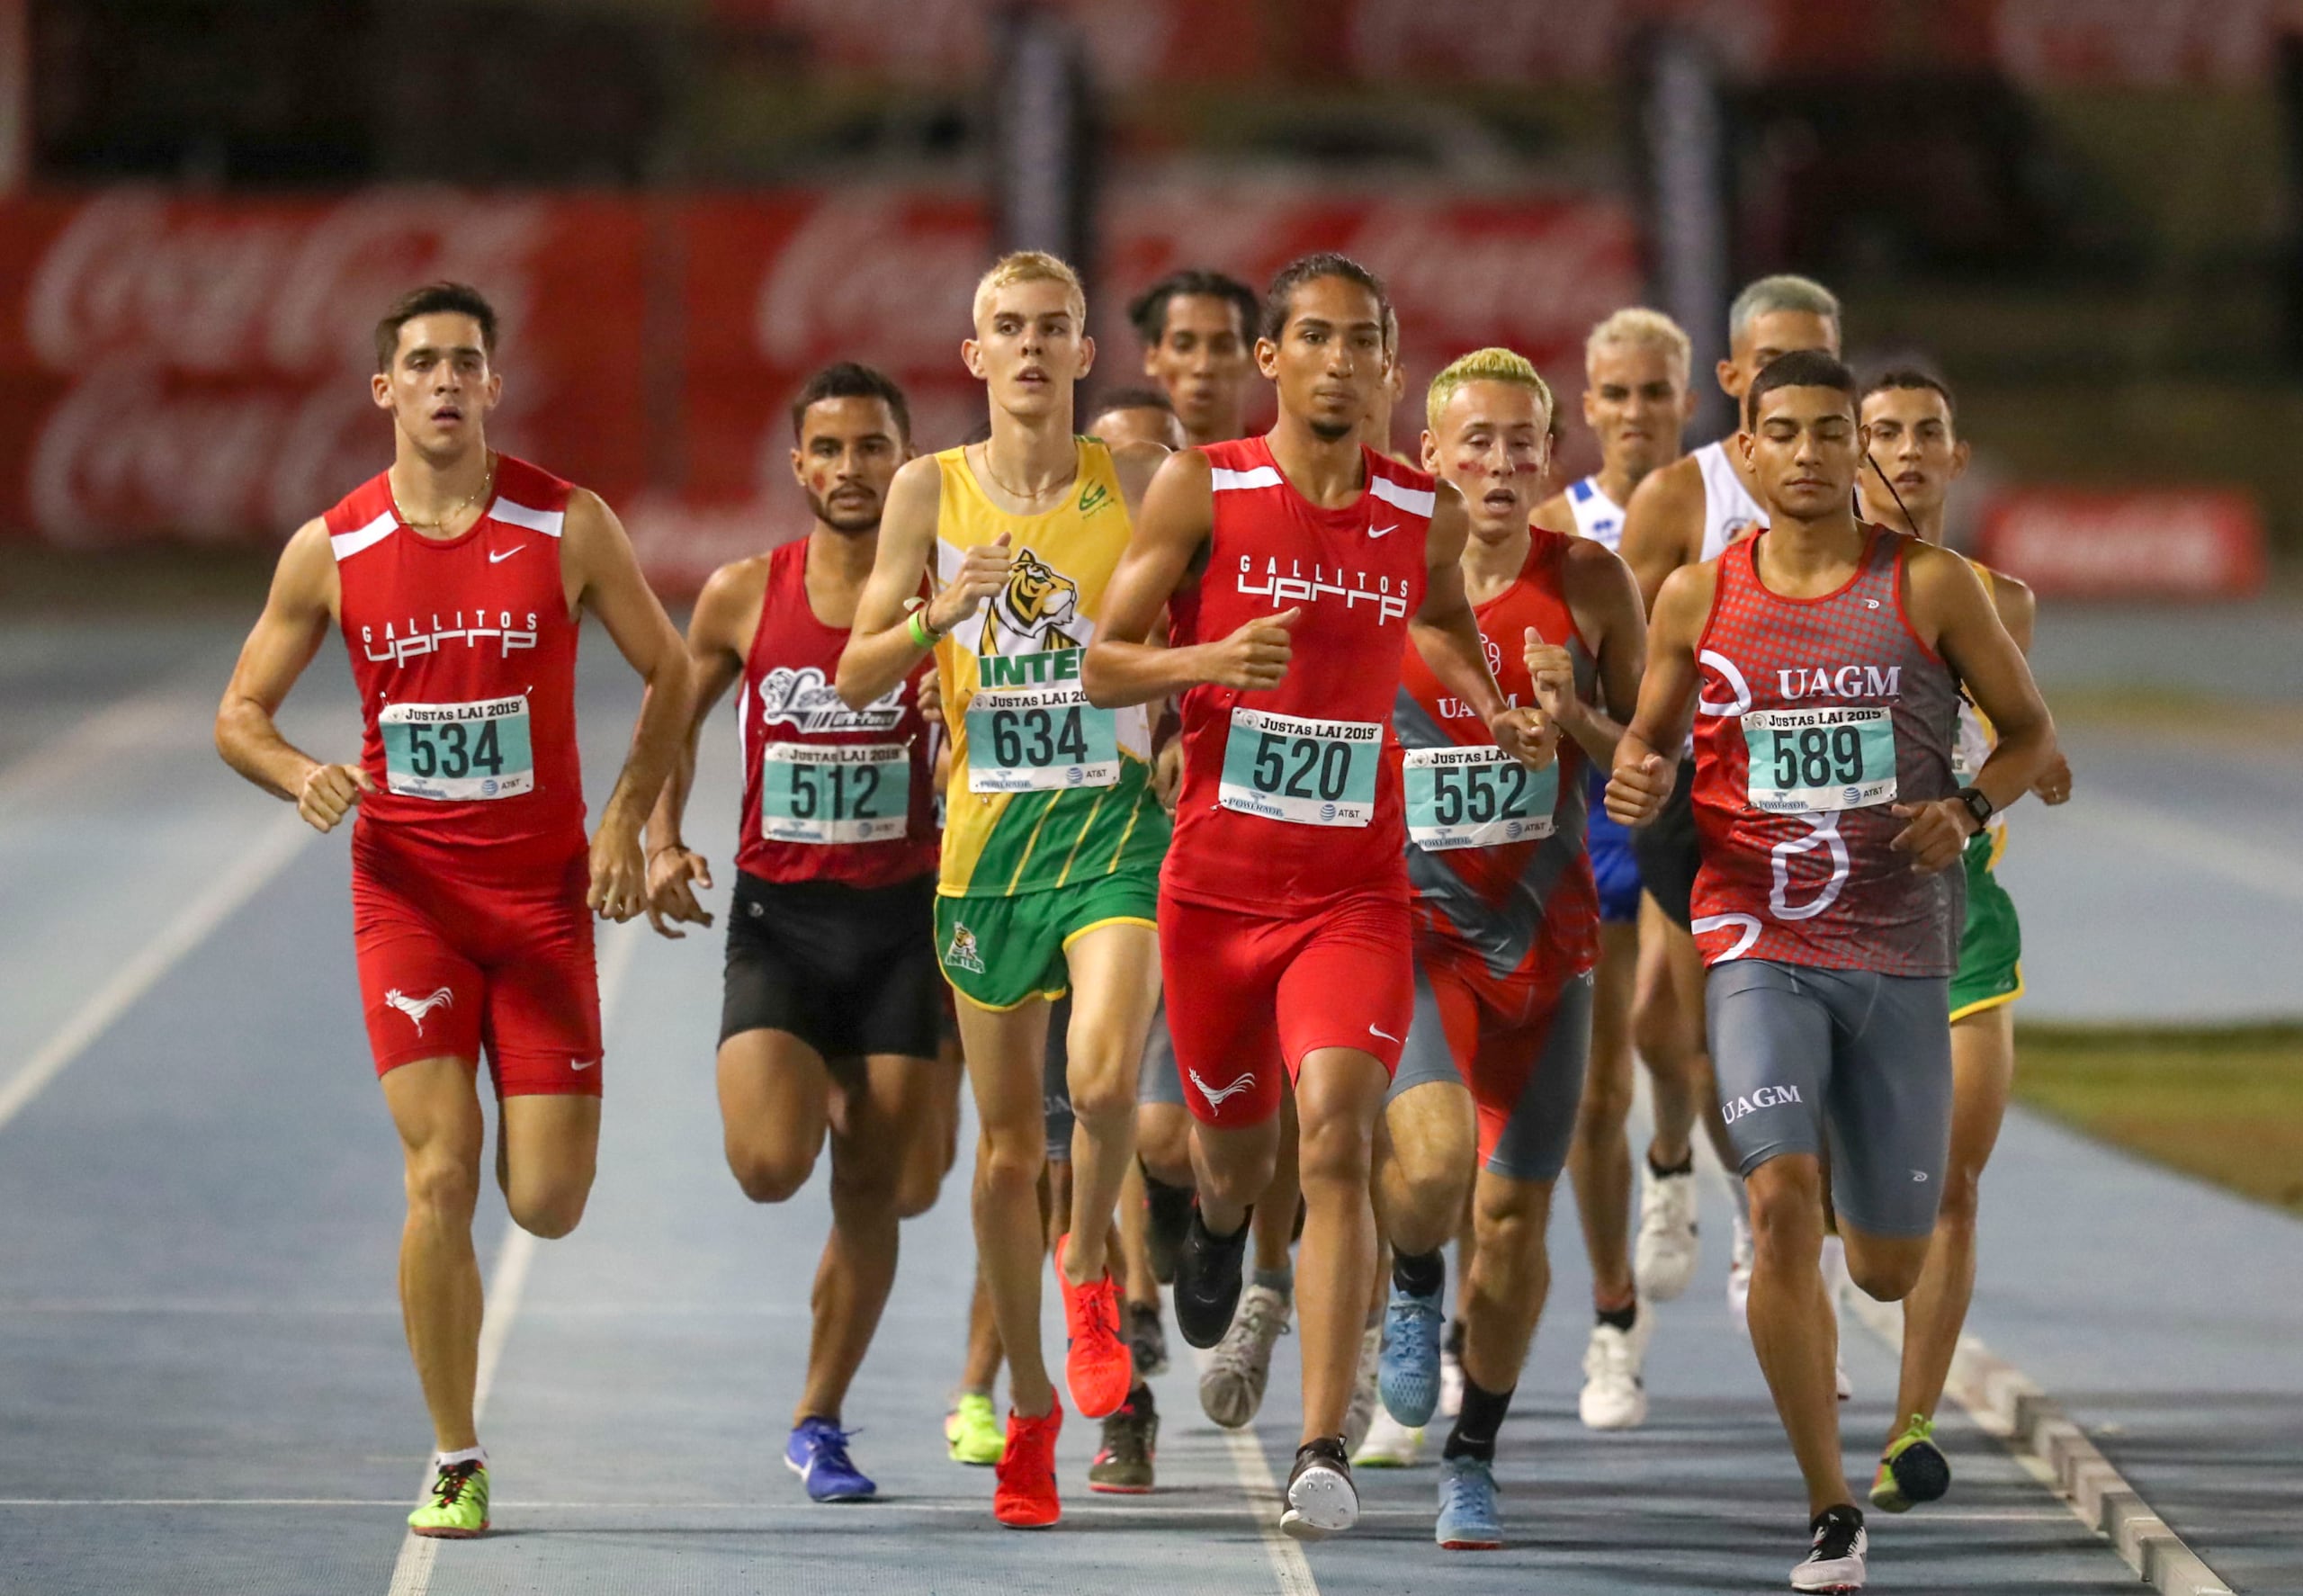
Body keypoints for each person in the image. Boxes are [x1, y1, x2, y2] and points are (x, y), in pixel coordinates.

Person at [213, 282, 694, 1538]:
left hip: (540, 901)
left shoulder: (566, 522)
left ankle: (469, 1397)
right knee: (442, 1170)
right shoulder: (333, 547)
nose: (441, 382)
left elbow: (674, 667)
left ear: (493, 385)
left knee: (546, 1201)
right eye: (419, 363)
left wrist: (626, 819)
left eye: (463, 363)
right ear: (384, 390)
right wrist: (299, 770)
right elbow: (238, 715)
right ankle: (455, 1451)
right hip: (410, 898)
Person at [1085, 253, 1549, 1539]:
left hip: (1352, 890)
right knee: (1232, 1159)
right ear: (1272, 360)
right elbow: (1101, 663)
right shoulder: (1205, 484)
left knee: (1339, 1133)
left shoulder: (1422, 508)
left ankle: (1319, 1444)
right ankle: (1212, 1221)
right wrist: (1210, 655)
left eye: (1364, 342)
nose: (1340, 361)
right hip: (1216, 900)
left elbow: (1443, 623)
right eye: (1317, 340)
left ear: (1385, 363)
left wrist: (1491, 706)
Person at [1608, 349, 2057, 1591]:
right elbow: (1643, 750)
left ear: (1854, 457)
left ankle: (1872, 1261)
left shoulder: (1930, 585)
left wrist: (1964, 810)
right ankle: (1829, 1507)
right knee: (1778, 1197)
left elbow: (2029, 737)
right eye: (1783, 434)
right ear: (1743, 456)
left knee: (1885, 1263)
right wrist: (1633, 775)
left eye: (1828, 435)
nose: (1808, 454)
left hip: (1900, 954)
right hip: (1756, 937)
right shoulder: (1696, 597)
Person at [837, 251, 1170, 1529]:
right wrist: (936, 616)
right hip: (986, 851)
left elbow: (1190, 619)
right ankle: (1030, 1405)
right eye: (1007, 330)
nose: (1031, 349)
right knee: (999, 1153)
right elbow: (864, 673)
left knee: (1098, 1082)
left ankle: (1090, 1263)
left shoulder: (1136, 482)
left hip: (1110, 836)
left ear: (1087, 355)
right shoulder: (929, 490)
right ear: (973, 358)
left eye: (1055, 329)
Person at [643, 362, 963, 1503]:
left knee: (883, 1192)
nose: (849, 470)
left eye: (872, 448)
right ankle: (835, 1075)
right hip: (781, 923)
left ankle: (817, 1419)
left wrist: (959, 707)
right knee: (771, 1166)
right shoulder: (744, 592)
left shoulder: (947, 593)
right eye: (827, 450)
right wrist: (661, 834)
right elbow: (671, 715)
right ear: (798, 466)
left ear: (906, 459)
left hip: (900, 928)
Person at [1371, 348, 1644, 1546]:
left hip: (1549, 943)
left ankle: (1473, 1454)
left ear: (1552, 455)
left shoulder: (1588, 580)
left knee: (1516, 1227)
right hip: (1414, 937)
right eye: (1473, 441)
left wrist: (1574, 713)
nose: (1499, 462)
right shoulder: (1376, 580)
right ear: (1429, 456)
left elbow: (1649, 765)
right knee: (1433, 1176)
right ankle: (1412, 1284)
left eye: (1522, 442)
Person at [1852, 369, 2074, 1513]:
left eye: (1923, 433)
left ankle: (1910, 1429)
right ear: (1852, 453)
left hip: (1961, 931)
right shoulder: (1810, 586)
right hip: (1829, 927)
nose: (1902, 450)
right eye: (1880, 432)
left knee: (1955, 1187)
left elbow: (2022, 735)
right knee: (1857, 1220)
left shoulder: (2003, 600)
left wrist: (2030, 767)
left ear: (1954, 456)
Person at [1617, 273, 1845, 1335]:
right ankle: (1689, 1166)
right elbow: (1628, 655)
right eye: (1770, 369)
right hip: (1703, 806)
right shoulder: (1681, 497)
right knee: (1675, 1026)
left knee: (1827, 1036)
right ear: (1732, 380)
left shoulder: (1864, 481)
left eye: (1816, 362)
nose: (1793, 387)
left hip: (1831, 812)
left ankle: (1798, 1234)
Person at [1530, 307, 1701, 1430]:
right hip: (1586, 821)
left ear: (1683, 401)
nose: (1635, 413)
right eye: (1617, 394)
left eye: (1655, 393)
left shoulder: (1719, 510)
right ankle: (1611, 1318)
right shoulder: (1550, 525)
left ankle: (1676, 1162)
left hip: (1688, 809)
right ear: (1585, 405)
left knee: (1670, 1034)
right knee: (1592, 1085)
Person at [1129, 268, 1262, 446]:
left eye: (1223, 347)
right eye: (1183, 346)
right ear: (1151, 358)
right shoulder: (1113, 468)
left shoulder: (1283, 469)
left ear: (1253, 359)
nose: (1203, 366)